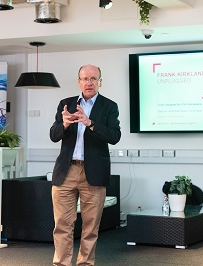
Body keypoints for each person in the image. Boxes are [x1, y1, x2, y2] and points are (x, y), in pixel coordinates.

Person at [49, 64, 121, 266]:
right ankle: (61, 263)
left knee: (90, 227)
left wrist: (91, 124)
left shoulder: (109, 106)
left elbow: (115, 136)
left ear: (100, 82)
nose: (89, 82)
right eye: (85, 79)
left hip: (94, 172)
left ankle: (85, 264)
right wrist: (63, 125)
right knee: (62, 224)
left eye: (93, 78)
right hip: (66, 171)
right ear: (78, 81)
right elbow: (54, 136)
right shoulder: (66, 104)